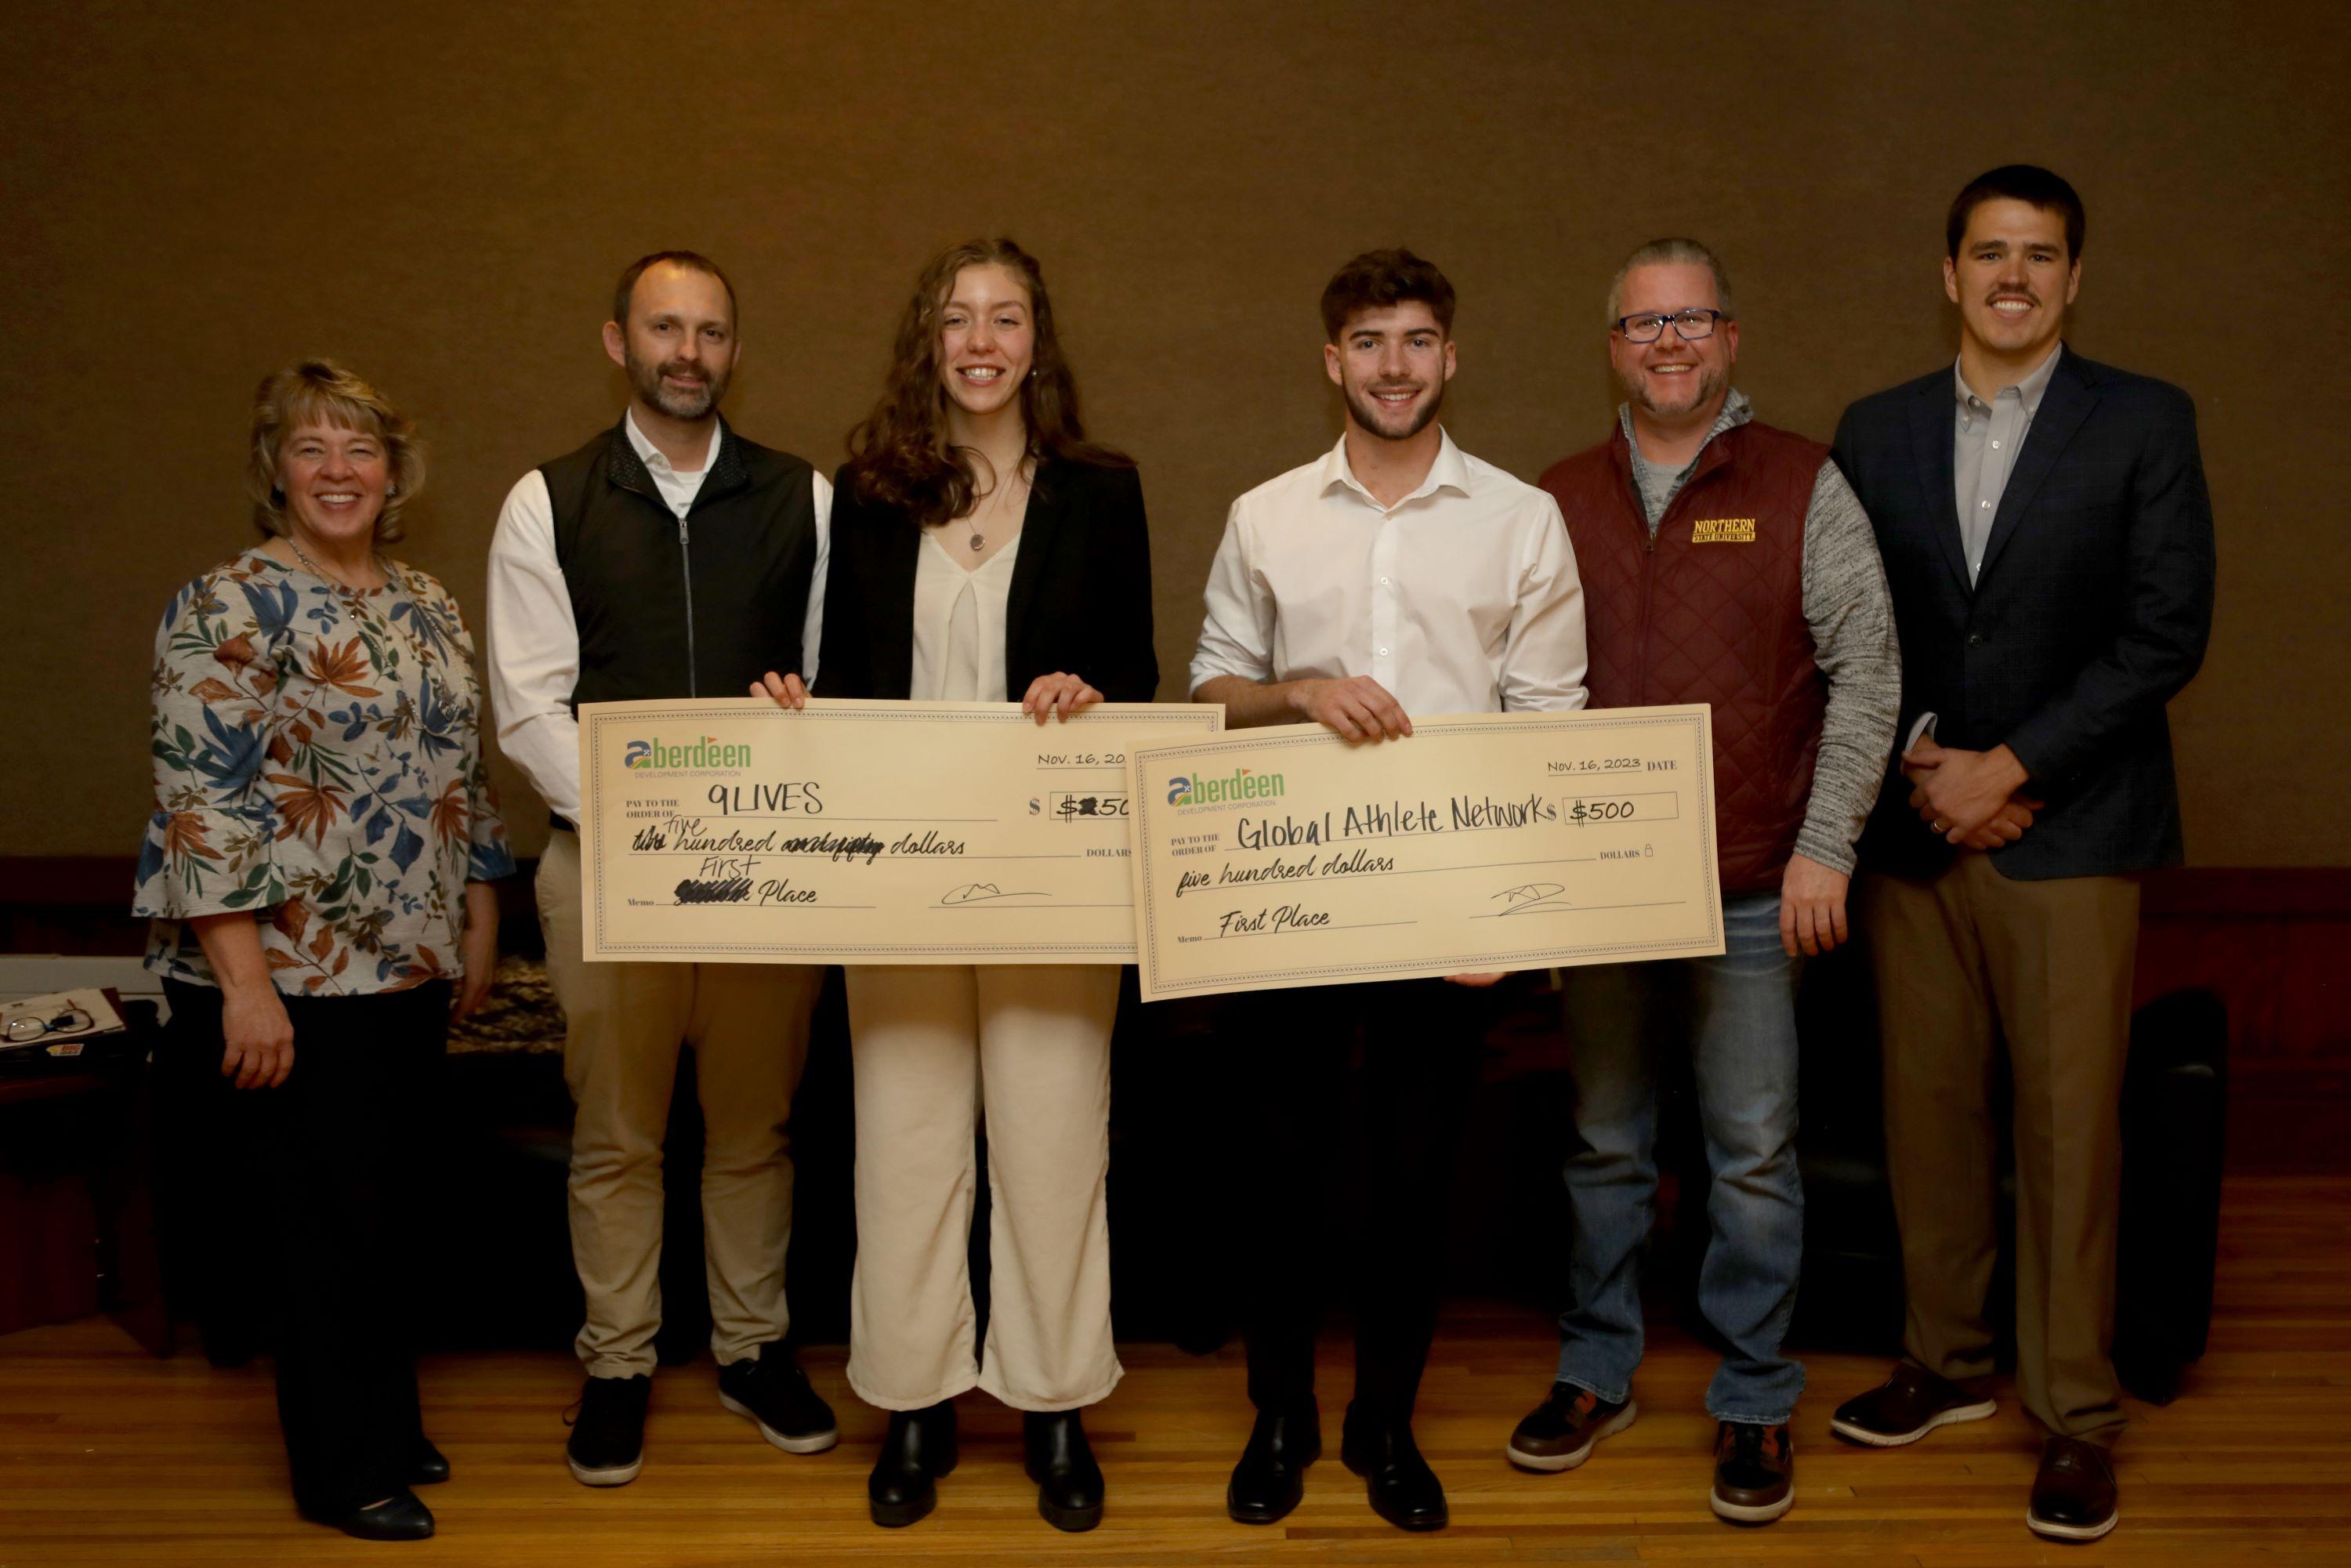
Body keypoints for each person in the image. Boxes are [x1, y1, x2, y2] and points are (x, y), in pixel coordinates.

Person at [1827, 165, 2215, 1543]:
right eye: (1988, 251)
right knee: (1927, 1118)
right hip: (1917, 828)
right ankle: (1943, 1360)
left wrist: (2017, 766)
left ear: (2071, 277)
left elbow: (2165, 633)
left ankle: (2075, 1414)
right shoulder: (1872, 433)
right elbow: (1854, 632)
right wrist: (1935, 763)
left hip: (2075, 832)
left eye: (2039, 255)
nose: (2013, 275)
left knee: (2067, 1134)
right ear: (1949, 272)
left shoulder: (2144, 421)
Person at [753, 237, 1154, 1534]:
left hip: (1054, 878)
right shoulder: (863, 495)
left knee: (1053, 1147)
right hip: (901, 878)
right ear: (928, 343)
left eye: (1008, 317)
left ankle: (1053, 1405)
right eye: (957, 320)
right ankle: (915, 1403)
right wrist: (792, 705)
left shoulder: (1104, 490)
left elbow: (1138, 681)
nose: (982, 341)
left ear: (1041, 339)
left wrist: (1090, 694)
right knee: (908, 1149)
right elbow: (838, 682)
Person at [1190, 248, 1588, 1534]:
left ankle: (1385, 1425)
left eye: (1418, 340)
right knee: (1282, 1175)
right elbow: (1206, 696)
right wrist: (1297, 691)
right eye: (1370, 342)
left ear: (1451, 357)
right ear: (1332, 361)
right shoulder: (1265, 515)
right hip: (1289, 899)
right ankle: (1282, 1419)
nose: (1395, 365)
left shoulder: (1521, 517)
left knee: (1416, 1182)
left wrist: (1515, 921)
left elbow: (1549, 727)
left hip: (1448, 910)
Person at [1508, 240, 1901, 1525]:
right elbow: (1512, 696)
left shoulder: (1802, 484)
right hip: (1602, 888)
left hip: (1749, 884)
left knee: (1749, 1152)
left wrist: (1828, 845)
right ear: (1611, 346)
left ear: (1731, 339)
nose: (1667, 341)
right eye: (1641, 323)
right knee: (1606, 1140)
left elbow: (1870, 679)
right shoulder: (1554, 499)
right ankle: (1596, 1367)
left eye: (1692, 319)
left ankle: (1751, 1395)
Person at [134, 360, 513, 1542]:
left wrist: (483, 915)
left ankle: (385, 1426)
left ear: (393, 471)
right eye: (313, 449)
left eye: (360, 449)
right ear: (277, 471)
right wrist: (247, 990)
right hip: (292, 977)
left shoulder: (429, 603)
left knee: (392, 1213)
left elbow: (465, 773)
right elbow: (200, 804)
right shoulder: (226, 605)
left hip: (407, 962)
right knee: (322, 1227)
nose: (339, 471)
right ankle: (343, 1469)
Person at [485, 252, 835, 1487]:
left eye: (712, 331)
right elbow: (529, 709)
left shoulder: (805, 498)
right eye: (665, 328)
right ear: (617, 340)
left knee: (755, 1128)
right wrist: (651, 832)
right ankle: (619, 1362)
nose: (689, 351)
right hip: (604, 867)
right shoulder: (550, 499)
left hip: (768, 874)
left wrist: (802, 727)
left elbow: (831, 687)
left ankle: (750, 1349)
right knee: (619, 1133)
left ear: (736, 350)